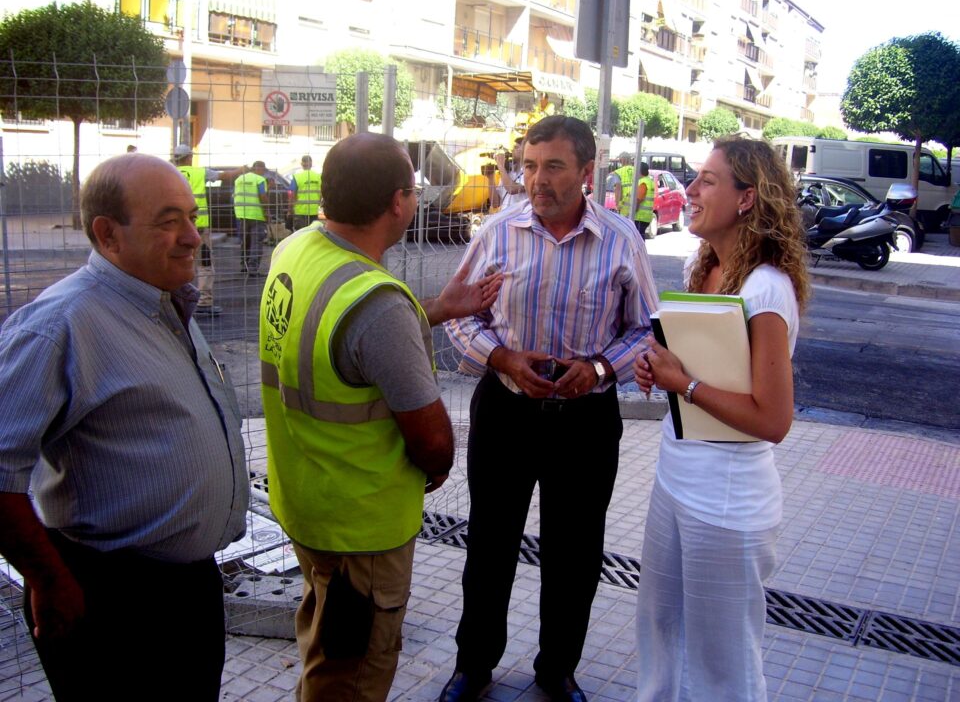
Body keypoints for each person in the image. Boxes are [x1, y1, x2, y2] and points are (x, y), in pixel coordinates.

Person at [260, 132, 502, 702]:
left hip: (305, 503)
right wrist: (436, 464)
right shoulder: (379, 303)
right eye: (414, 193)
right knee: (356, 676)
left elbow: (347, 340)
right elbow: (433, 443)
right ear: (398, 202)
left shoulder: (296, 250)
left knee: (325, 650)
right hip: (361, 528)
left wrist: (439, 308)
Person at [0, 153, 249, 700]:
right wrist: (48, 578)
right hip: (109, 598)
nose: (193, 237)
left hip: (185, 591)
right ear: (107, 235)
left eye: (192, 215)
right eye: (168, 221)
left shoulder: (164, 301)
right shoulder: (59, 326)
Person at [440, 116, 658, 702]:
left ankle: (557, 668)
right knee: (490, 541)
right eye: (530, 166)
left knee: (576, 550)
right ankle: (474, 665)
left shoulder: (621, 239)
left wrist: (602, 368)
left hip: (586, 420)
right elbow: (459, 314)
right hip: (506, 411)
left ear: (587, 173)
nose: (537, 180)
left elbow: (646, 329)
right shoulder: (496, 232)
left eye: (554, 167)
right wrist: (503, 359)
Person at [632, 137, 810, 701]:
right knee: (661, 632)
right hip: (675, 482)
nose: (691, 190)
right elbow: (702, 381)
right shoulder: (702, 265)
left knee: (722, 663)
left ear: (747, 199)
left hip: (727, 504)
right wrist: (661, 374)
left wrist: (682, 382)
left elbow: (773, 419)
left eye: (708, 180)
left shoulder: (765, 289)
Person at [173, 144, 247, 315]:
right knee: (205, 263)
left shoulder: (169, 174)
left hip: (176, 228)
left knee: (179, 261)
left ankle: (177, 300)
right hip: (198, 228)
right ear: (189, 157)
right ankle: (204, 302)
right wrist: (241, 169)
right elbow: (225, 175)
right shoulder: (200, 172)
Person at [235, 160, 271, 276]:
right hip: (256, 215)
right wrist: (267, 212)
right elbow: (262, 196)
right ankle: (253, 269)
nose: (264, 173)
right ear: (259, 168)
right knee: (256, 242)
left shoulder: (239, 179)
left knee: (245, 241)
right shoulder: (259, 180)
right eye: (263, 170)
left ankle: (243, 265)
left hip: (241, 214)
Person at [290, 154, 323, 231]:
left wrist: (290, 209)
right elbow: (321, 193)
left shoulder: (297, 176)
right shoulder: (318, 176)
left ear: (302, 164)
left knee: (301, 234)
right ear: (311, 163)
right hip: (313, 210)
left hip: (300, 211)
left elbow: (292, 194)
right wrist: (318, 203)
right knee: (312, 233)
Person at [634, 162, 655, 236]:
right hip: (646, 216)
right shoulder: (649, 181)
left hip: (640, 216)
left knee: (638, 236)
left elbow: (639, 198)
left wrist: (633, 211)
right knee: (640, 235)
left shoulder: (643, 182)